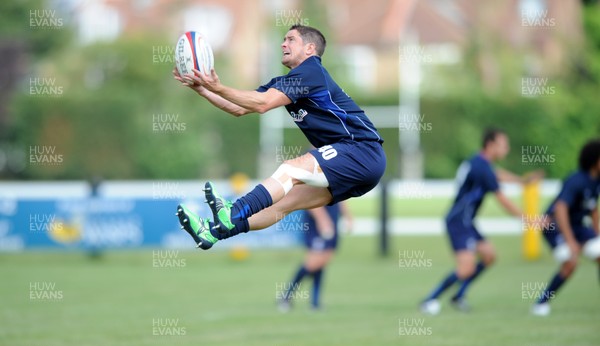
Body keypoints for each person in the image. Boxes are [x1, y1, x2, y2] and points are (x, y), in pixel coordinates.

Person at [172, 25, 385, 249]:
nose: (284, 44)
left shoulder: (311, 71)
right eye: (284, 39)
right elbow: (239, 108)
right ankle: (214, 233)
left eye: (291, 39)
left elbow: (262, 104)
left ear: (310, 48)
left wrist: (218, 86)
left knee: (291, 169)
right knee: (282, 203)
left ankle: (233, 211)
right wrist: (203, 89)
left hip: (361, 150)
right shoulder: (288, 81)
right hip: (362, 167)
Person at [421, 128, 540, 314]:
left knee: (489, 256)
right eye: (504, 145)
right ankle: (430, 300)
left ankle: (458, 296)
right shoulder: (482, 168)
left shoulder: (479, 161)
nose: (506, 149)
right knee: (466, 268)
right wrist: (528, 220)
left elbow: (497, 174)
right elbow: (503, 200)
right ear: (491, 145)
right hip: (458, 222)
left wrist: (522, 181)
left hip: (467, 221)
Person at [531, 139, 600, 316]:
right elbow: (560, 209)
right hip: (555, 226)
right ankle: (541, 302)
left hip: (576, 226)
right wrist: (570, 241)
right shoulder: (575, 180)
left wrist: (597, 232)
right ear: (595, 160)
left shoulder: (596, 181)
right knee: (570, 263)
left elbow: (592, 208)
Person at [278, 202, 352, 312]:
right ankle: (287, 296)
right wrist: (323, 220)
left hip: (332, 216)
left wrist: (347, 216)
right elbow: (312, 196)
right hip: (317, 221)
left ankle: (314, 302)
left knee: (323, 259)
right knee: (314, 261)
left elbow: (340, 195)